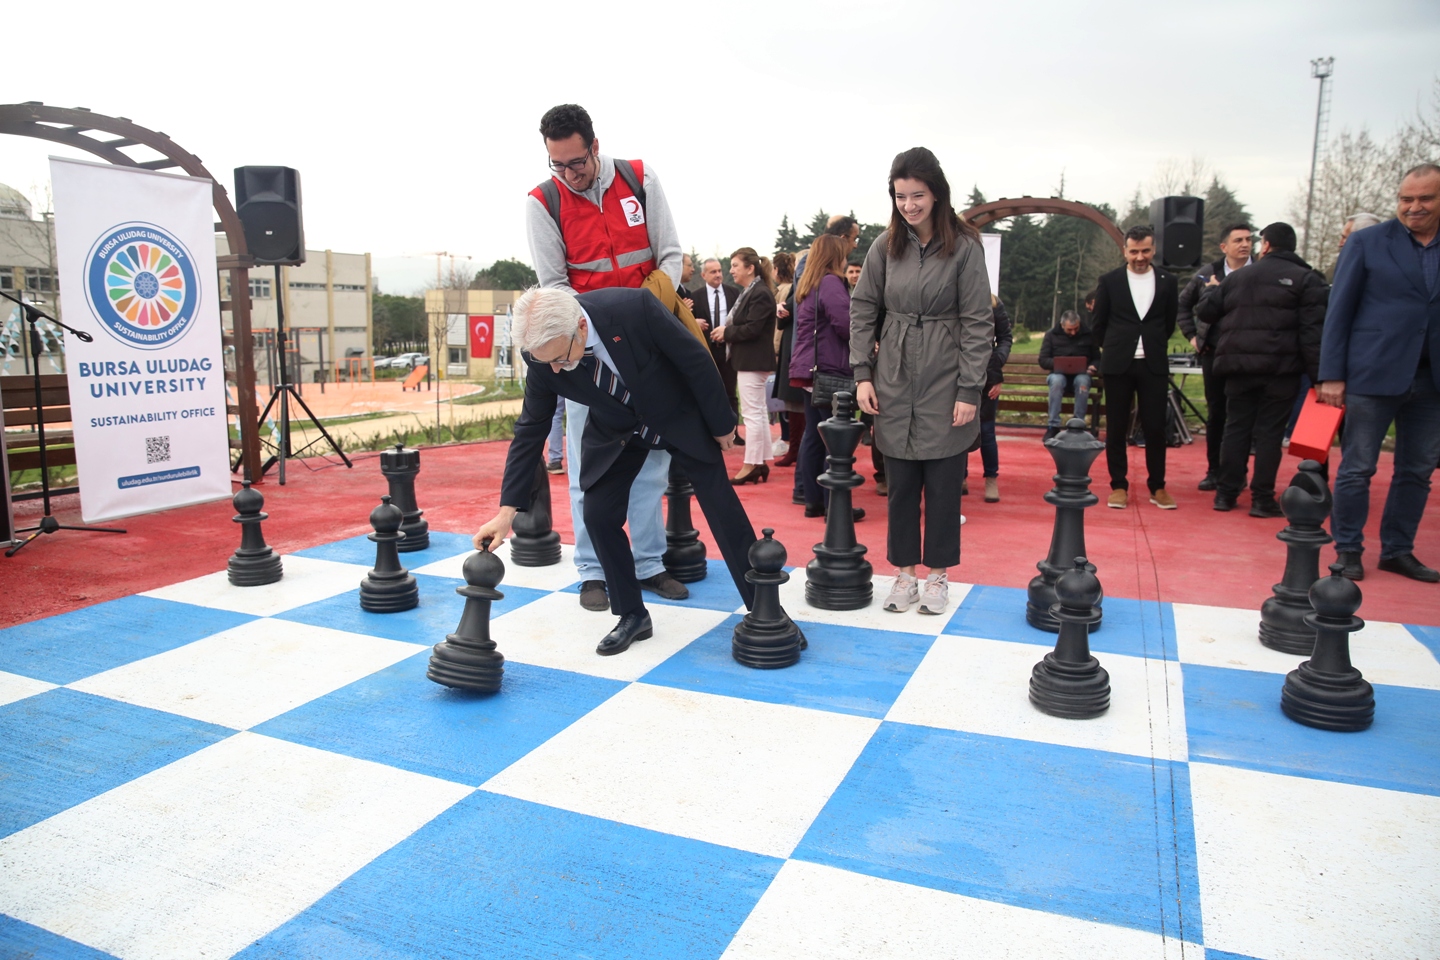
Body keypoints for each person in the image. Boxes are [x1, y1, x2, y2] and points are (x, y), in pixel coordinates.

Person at [474, 287, 768, 655]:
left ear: (581, 327)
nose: (554, 370)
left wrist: (723, 424)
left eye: (560, 360)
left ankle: (764, 609)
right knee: (597, 514)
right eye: (544, 361)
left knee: (722, 509)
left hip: (677, 416)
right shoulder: (542, 355)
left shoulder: (634, 309)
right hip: (615, 429)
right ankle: (632, 614)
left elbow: (695, 360)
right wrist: (506, 514)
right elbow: (530, 429)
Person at [525, 103, 688, 612]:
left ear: (595, 147)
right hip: (586, 350)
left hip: (650, 341)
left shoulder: (639, 179)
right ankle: (593, 570)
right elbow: (554, 287)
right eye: (558, 165)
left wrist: (648, 318)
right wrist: (598, 334)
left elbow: (670, 257)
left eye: (576, 162)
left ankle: (648, 563)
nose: (569, 175)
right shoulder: (543, 202)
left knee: (652, 462)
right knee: (585, 464)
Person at [852, 146, 993, 616]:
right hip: (892, 376)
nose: (909, 205)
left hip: (945, 376)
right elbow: (863, 309)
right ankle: (905, 573)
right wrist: (862, 374)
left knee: (944, 483)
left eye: (917, 195)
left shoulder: (965, 248)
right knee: (901, 484)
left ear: (936, 193)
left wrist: (970, 388)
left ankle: (937, 575)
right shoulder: (883, 246)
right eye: (900, 196)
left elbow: (978, 321)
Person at [1318, 162, 1440, 583]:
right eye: (1407, 199)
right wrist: (1331, 374)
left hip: (1432, 379)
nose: (1415, 207)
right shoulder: (1368, 242)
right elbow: (1340, 311)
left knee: (1417, 470)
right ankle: (1348, 549)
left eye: (1426, 198)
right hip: (1373, 373)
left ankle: (1398, 550)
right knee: (1358, 467)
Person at [1195, 222, 1326, 517]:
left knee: (1236, 428)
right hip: (1281, 368)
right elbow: (1312, 332)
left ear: (1265, 245)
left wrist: (1210, 292)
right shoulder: (1307, 280)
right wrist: (1319, 377)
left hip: (1238, 366)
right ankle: (1261, 498)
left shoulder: (1238, 278)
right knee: (1269, 433)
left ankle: (1226, 494)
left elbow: (1206, 312)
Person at [1091, 224, 1180, 509]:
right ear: (1125, 251)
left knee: (1155, 427)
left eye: (1145, 251)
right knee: (1116, 427)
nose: (1140, 257)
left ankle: (1158, 486)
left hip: (1153, 363)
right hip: (1118, 364)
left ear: (1153, 250)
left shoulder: (1168, 281)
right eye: (1134, 251)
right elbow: (1099, 325)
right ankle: (1118, 485)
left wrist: (1150, 343)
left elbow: (1168, 323)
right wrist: (1117, 346)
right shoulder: (1110, 281)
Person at [1177, 223, 1254, 491]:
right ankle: (1214, 470)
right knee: (1217, 414)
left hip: (1248, 356)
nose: (1244, 244)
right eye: (1238, 240)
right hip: (1214, 353)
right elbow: (1183, 305)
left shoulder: (1259, 272)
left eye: (1248, 239)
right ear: (1224, 247)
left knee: (1242, 416)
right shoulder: (1207, 274)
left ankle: (1237, 472)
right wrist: (1192, 336)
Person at [791, 234, 859, 518]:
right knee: (835, 439)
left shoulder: (809, 283)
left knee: (814, 436)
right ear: (835, 256)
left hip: (809, 369)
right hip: (829, 367)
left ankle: (813, 499)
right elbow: (846, 323)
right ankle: (836, 505)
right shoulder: (830, 282)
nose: (846, 259)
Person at [713, 247, 777, 483]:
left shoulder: (758, 293)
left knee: (752, 414)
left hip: (753, 360)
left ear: (750, 268)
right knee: (758, 412)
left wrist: (726, 332)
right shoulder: (754, 291)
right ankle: (758, 462)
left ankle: (752, 464)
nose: (731, 271)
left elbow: (753, 328)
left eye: (735, 266)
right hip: (752, 360)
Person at [964, 294, 1013, 502]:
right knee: (956, 427)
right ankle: (959, 476)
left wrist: (996, 364)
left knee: (986, 430)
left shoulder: (993, 303)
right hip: (956, 371)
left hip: (988, 373)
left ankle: (991, 478)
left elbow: (1004, 339)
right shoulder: (954, 298)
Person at [691, 257, 741, 422]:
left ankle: (734, 430)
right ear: (703, 275)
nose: (718, 275)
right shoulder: (695, 297)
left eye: (719, 271)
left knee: (730, 393)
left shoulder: (734, 293)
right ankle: (713, 428)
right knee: (709, 391)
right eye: (713, 272)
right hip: (707, 351)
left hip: (729, 350)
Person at [1038, 309, 1098, 439]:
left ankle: (1077, 424)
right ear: (1062, 325)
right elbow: (1043, 360)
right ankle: (1053, 426)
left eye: (1076, 328)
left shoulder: (1088, 335)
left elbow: (1097, 357)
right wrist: (1059, 363)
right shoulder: (1051, 335)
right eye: (1069, 329)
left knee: (1083, 382)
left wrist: (1093, 366)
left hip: (1082, 374)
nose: (1073, 332)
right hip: (1058, 374)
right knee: (1056, 381)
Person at [770, 252, 806, 469]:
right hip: (791, 347)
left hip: (797, 349)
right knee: (794, 405)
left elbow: (788, 310)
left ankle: (797, 450)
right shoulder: (795, 286)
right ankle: (795, 449)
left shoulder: (803, 287)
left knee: (800, 405)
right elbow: (783, 316)